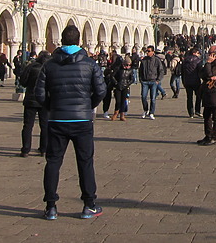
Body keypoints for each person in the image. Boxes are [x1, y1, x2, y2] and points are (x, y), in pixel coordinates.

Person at [35, 25, 106, 221]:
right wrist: (88, 106)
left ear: (62, 41)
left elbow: (39, 94)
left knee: (53, 162)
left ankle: (50, 207)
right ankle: (89, 205)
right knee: (85, 162)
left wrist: (53, 107)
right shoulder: (90, 64)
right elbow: (101, 90)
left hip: (57, 119)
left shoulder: (49, 65)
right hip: (82, 120)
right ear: (79, 40)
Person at [19, 51, 50, 157]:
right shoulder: (50, 67)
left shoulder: (31, 67)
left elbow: (23, 82)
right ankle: (44, 149)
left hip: (31, 99)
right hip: (45, 100)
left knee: (28, 125)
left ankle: (25, 150)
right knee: (45, 125)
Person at [197, 46, 216, 146]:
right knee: (206, 115)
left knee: (215, 116)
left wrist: (208, 65)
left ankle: (214, 137)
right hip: (208, 93)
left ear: (215, 55)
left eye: (210, 53)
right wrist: (208, 73)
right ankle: (208, 135)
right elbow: (201, 74)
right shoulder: (211, 64)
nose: (208, 55)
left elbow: (209, 73)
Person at [138, 45, 164, 120]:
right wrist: (141, 79)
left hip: (153, 81)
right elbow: (140, 70)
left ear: (153, 52)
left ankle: (151, 113)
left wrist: (158, 80)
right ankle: (146, 110)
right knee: (143, 97)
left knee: (153, 98)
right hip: (145, 81)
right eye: (147, 51)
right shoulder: (144, 60)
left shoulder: (156, 60)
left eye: (149, 51)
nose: (147, 52)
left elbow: (161, 70)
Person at [181, 47, 203, 118]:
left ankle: (191, 113)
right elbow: (200, 71)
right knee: (199, 96)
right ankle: (197, 110)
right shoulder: (198, 61)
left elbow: (182, 72)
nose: (198, 54)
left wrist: (183, 81)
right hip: (196, 81)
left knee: (189, 98)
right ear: (194, 53)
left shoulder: (185, 60)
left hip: (187, 81)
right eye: (198, 53)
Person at [111, 57, 134, 121]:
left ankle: (122, 114)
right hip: (118, 87)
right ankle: (116, 113)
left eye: (129, 65)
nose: (128, 66)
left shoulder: (130, 70)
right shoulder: (118, 69)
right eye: (127, 65)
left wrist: (127, 84)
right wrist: (116, 83)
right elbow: (112, 76)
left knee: (123, 101)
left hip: (125, 87)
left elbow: (132, 79)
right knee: (118, 101)